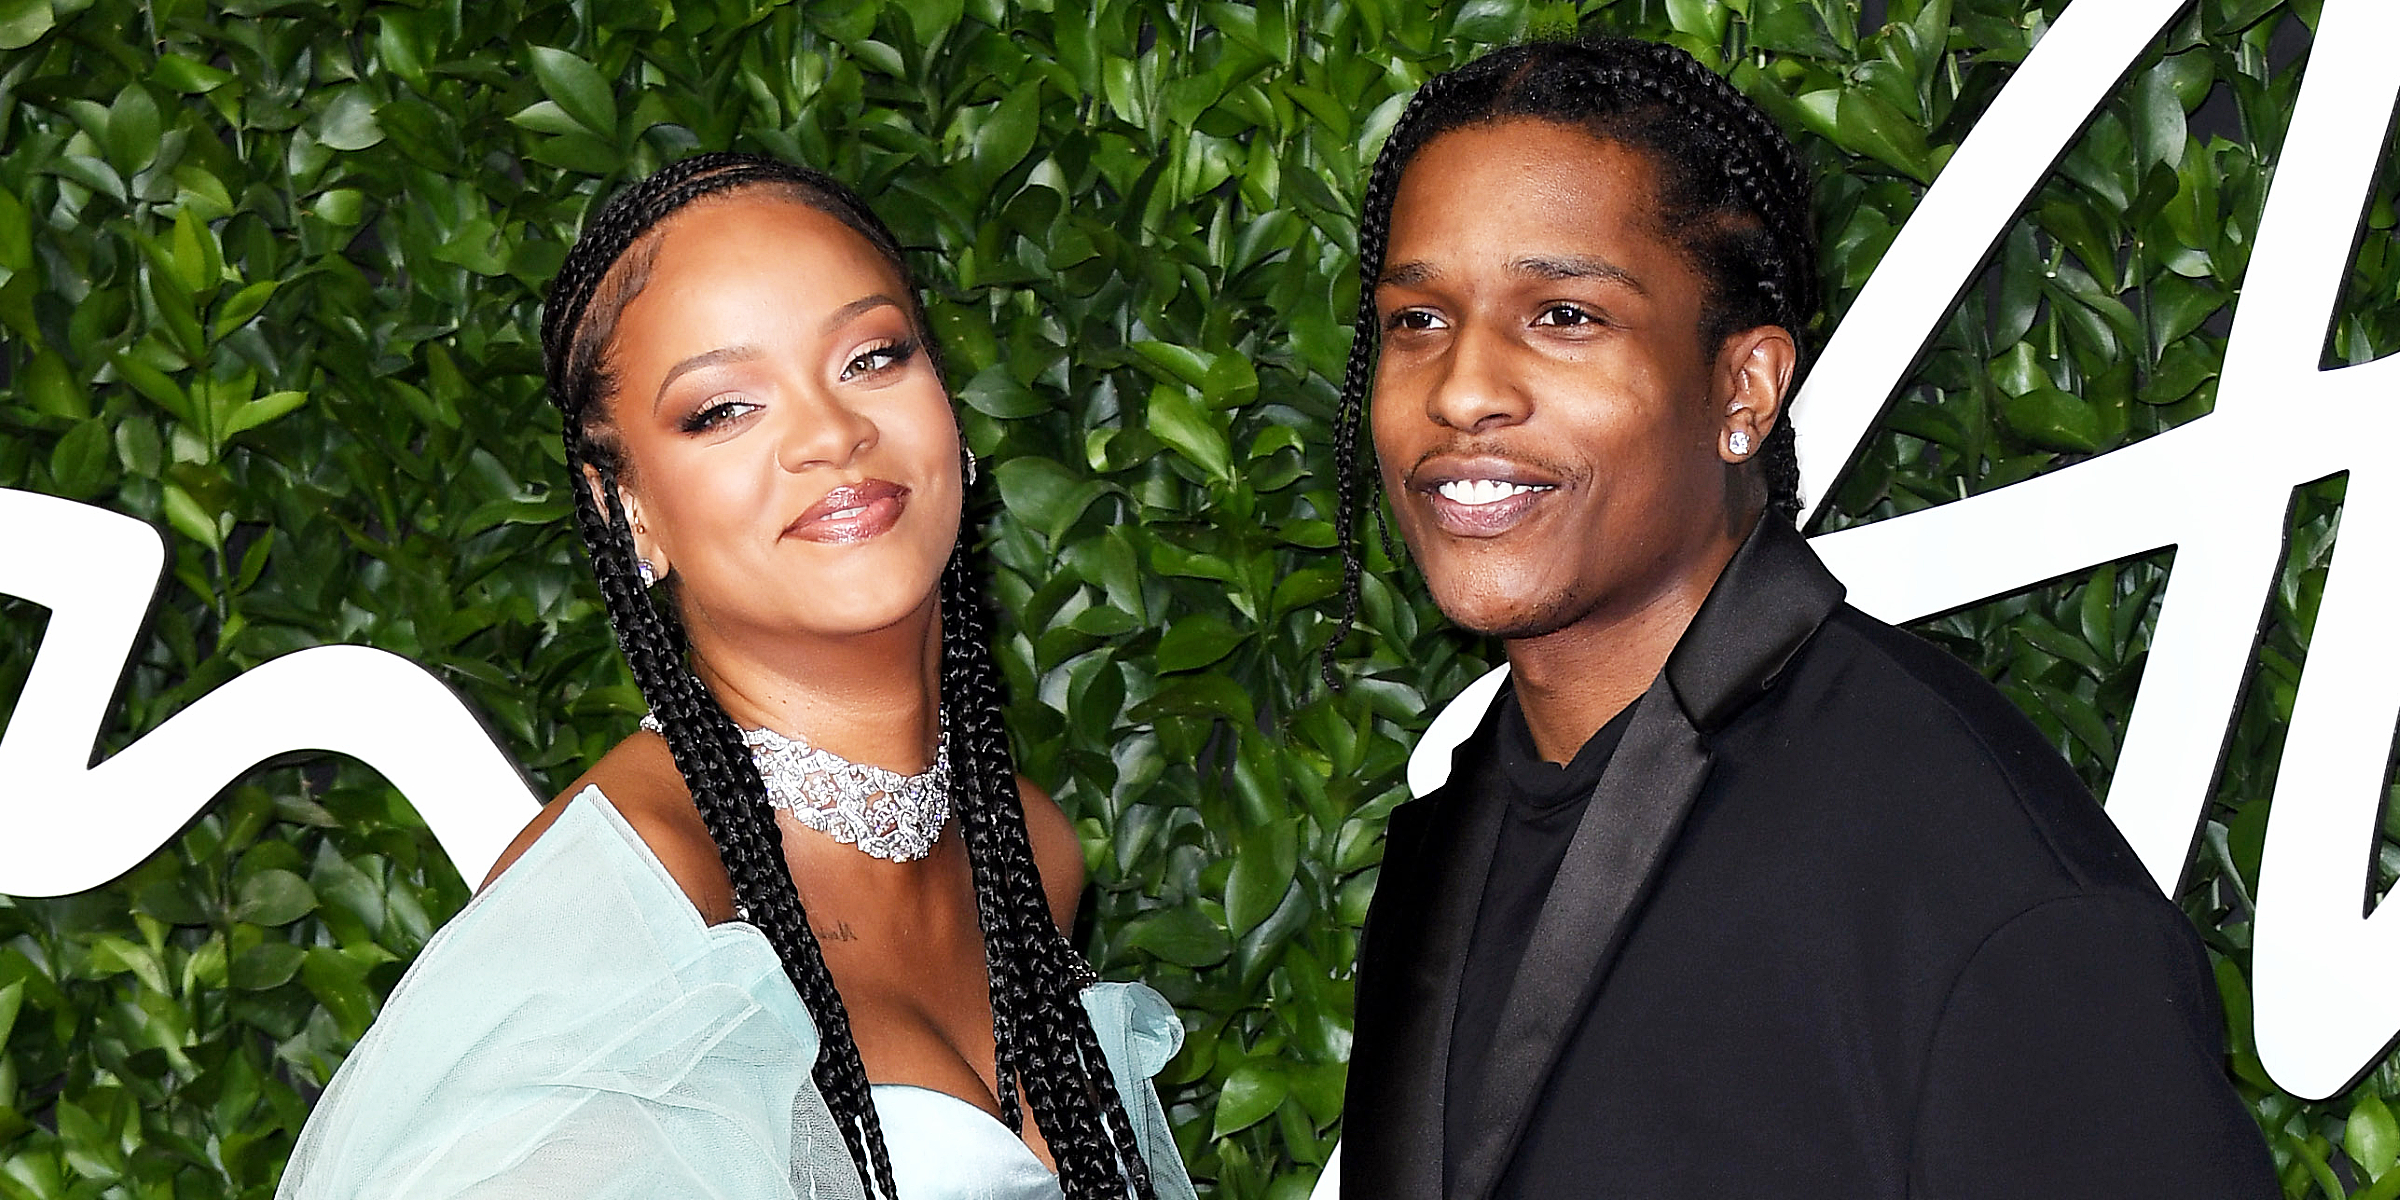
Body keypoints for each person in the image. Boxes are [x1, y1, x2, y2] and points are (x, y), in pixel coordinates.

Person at [1320, 39, 2276, 1200]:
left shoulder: (1970, 876)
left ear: (1744, 392)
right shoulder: (1453, 829)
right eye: (1416, 320)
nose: (1463, 388)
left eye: (1563, 314)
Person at [276, 153, 1195, 1200]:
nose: (832, 434)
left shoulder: (1030, 845)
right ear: (629, 508)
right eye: (722, 409)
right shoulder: (636, 892)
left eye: (873, 357)